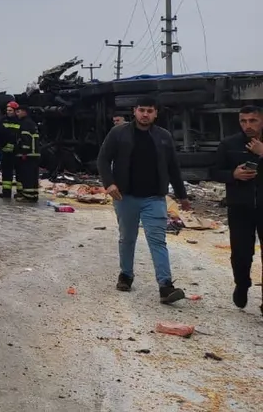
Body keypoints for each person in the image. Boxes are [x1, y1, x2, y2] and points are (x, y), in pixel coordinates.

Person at [97, 96, 192, 304]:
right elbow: (103, 158)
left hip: (154, 198)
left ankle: (165, 286)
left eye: (150, 110)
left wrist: (182, 196)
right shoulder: (119, 133)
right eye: (142, 110)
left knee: (157, 239)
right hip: (125, 197)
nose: (145, 114)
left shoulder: (163, 137)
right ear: (135, 111)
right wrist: (109, 183)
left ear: (156, 113)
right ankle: (126, 275)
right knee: (127, 237)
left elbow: (174, 169)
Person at [209, 105, 263, 312]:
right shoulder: (229, 144)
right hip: (240, 206)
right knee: (241, 253)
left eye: (253, 120)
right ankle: (242, 285)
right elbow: (214, 171)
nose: (247, 125)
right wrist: (232, 175)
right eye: (243, 121)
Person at [13, 106, 42, 202]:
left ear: (24, 112)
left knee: (27, 176)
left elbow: (25, 140)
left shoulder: (24, 124)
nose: (17, 113)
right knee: (33, 176)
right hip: (35, 154)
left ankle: (27, 196)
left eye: (19, 111)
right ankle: (33, 195)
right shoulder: (32, 123)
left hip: (27, 155)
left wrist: (23, 152)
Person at [0, 102, 22, 199]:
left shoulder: (19, 121)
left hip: (17, 151)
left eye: (10, 110)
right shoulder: (2, 120)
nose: (8, 112)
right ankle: (6, 192)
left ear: (16, 111)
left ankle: (20, 192)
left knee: (20, 173)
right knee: (6, 173)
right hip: (5, 151)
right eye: (7, 110)